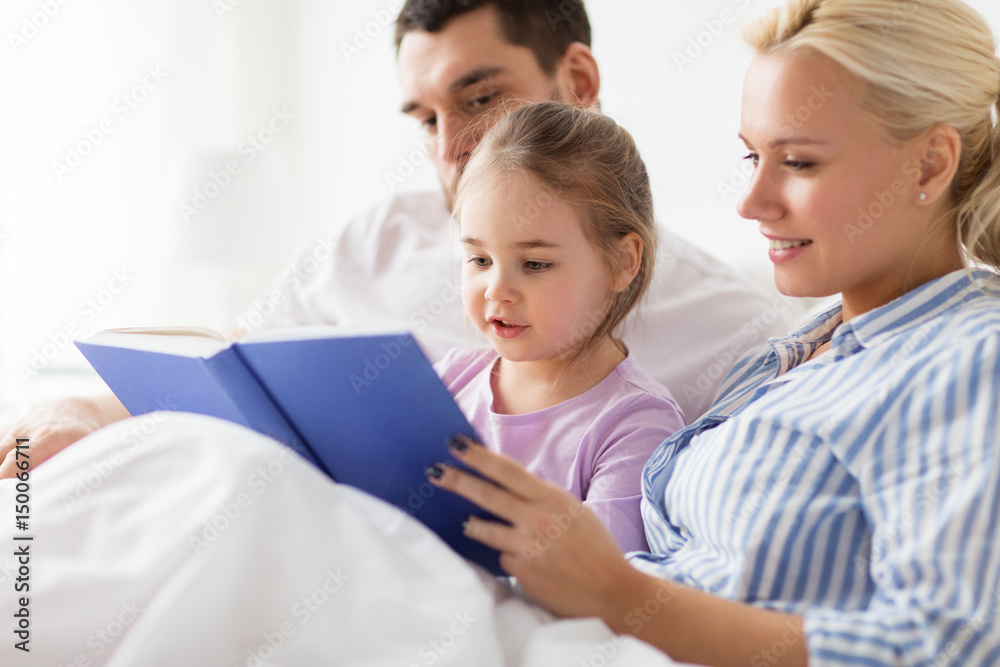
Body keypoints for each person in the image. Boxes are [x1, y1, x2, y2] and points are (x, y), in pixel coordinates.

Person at [0, 0, 792, 480]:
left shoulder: (728, 328)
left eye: (479, 98)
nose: (451, 146)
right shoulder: (374, 236)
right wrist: (81, 406)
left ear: (578, 83)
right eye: (424, 118)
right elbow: (232, 370)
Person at [429, 0, 1000, 663]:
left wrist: (616, 590)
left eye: (800, 162)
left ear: (930, 165)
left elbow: (948, 645)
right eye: (753, 156)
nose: (751, 202)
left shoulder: (971, 356)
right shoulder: (786, 355)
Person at [436, 102, 684, 553]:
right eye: (479, 260)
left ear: (622, 263)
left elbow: (601, 582)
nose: (497, 290)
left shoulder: (635, 424)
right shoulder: (449, 380)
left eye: (534, 264)